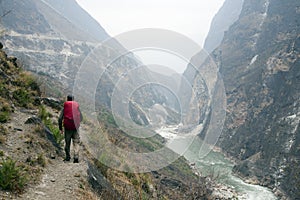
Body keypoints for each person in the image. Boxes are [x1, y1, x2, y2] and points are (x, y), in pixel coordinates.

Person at [58, 95, 83, 163]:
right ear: (73, 99)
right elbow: (81, 117)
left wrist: (60, 128)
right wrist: (77, 123)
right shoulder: (76, 107)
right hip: (75, 128)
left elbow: (60, 118)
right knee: (76, 142)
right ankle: (76, 157)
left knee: (67, 142)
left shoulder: (65, 107)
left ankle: (68, 157)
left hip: (67, 128)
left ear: (67, 99)